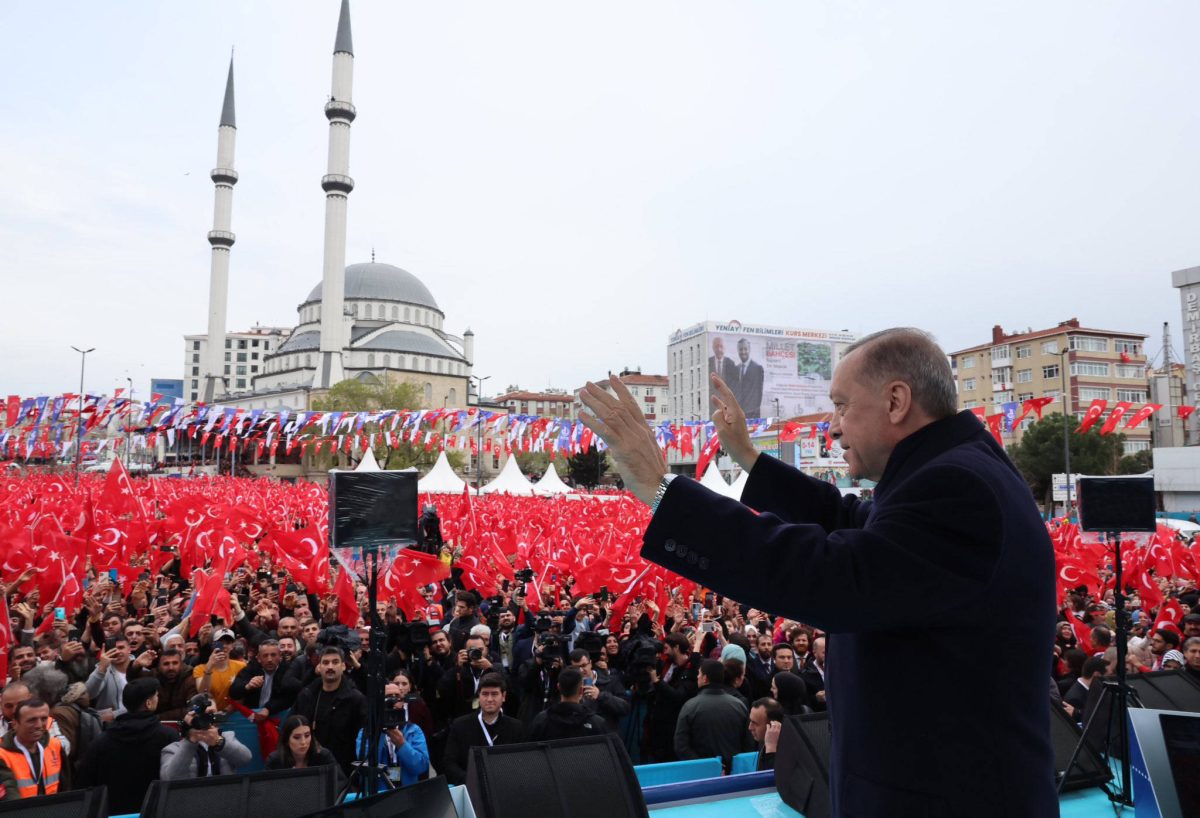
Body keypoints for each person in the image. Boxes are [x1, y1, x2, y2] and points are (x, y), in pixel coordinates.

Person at [580, 327, 1057, 817]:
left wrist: (664, 491)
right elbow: (849, 520)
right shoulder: (951, 470)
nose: (833, 427)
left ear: (896, 401)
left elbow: (828, 574)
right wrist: (749, 458)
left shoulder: (957, 489)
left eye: (842, 405)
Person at [76, 678, 178, 815]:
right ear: (148, 703)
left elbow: (84, 783)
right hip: (156, 811)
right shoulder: (168, 736)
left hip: (112, 812)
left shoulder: (101, 741)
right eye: (156, 696)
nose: (158, 699)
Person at [291, 647, 367, 774]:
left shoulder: (356, 699)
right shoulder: (306, 695)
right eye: (325, 663)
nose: (330, 666)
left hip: (344, 771)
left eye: (335, 662)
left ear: (343, 666)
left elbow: (362, 740)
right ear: (319, 667)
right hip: (311, 769)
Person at [442, 673, 524, 785]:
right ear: (479, 696)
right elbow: (449, 762)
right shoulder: (460, 725)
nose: (489, 699)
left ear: (503, 696)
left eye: (494, 694)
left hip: (506, 788)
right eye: (485, 694)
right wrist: (470, 781)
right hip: (471, 788)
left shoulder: (516, 727)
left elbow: (522, 762)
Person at [674, 659, 752, 763]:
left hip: (702, 773)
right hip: (734, 772)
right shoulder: (739, 705)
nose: (697, 677)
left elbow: (681, 745)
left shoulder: (690, 706)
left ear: (705, 678)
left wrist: (707, 766)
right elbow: (748, 743)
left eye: (699, 674)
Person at [355, 681, 430, 788]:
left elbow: (421, 767)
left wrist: (402, 745)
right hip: (379, 794)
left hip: (407, 793)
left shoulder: (413, 730)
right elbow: (366, 767)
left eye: (397, 697)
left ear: (403, 702)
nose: (393, 701)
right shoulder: (367, 732)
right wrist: (379, 733)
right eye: (388, 697)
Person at [160, 695, 253, 779]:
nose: (205, 719)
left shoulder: (227, 737)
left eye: (211, 713)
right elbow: (169, 778)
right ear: (190, 717)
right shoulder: (173, 749)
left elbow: (245, 759)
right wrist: (190, 741)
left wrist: (219, 742)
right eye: (201, 714)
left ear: (217, 714)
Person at [0, 699, 63, 800]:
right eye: (31, 720)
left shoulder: (55, 746)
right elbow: (9, 797)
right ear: (15, 724)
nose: (38, 725)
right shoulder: (3, 755)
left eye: (43, 719)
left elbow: (65, 788)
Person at [193, 632, 246, 711]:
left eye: (228, 643)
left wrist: (227, 711)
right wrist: (209, 667)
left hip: (234, 714)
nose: (224, 646)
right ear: (213, 645)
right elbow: (202, 692)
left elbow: (244, 694)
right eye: (220, 643)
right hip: (211, 714)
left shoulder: (242, 666)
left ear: (232, 646)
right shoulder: (199, 669)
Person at [264, 714, 339, 770]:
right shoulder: (275, 761)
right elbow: (266, 788)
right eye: (297, 737)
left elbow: (341, 785)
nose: (303, 742)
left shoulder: (324, 757)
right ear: (286, 740)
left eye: (307, 735)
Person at [155, 648, 198, 721]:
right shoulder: (153, 677)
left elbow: (192, 709)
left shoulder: (190, 678)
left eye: (175, 663)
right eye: (166, 664)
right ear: (159, 667)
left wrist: (158, 717)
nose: (171, 668)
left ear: (181, 664)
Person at [747, 697, 785, 771]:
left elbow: (773, 780)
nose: (750, 727)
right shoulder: (763, 740)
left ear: (772, 725)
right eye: (750, 721)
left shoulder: (789, 749)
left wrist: (771, 750)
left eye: (755, 723)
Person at [731, 337, 764, 418]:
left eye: (745, 349)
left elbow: (759, 394)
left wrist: (754, 413)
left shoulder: (757, 368)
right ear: (738, 351)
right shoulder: (735, 369)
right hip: (738, 414)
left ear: (749, 350)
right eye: (740, 349)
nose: (743, 352)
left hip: (752, 415)